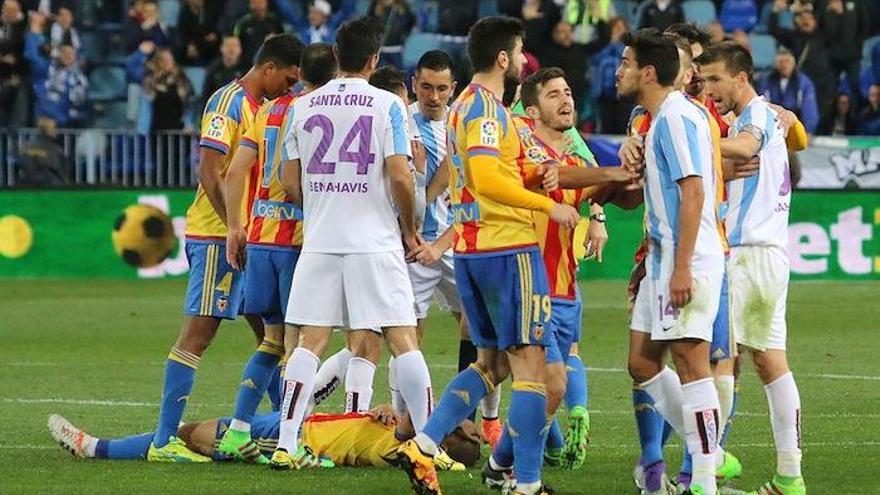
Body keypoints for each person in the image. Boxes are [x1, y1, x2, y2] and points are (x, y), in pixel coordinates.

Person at [394, 16, 581, 495]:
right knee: (531, 367)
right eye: (519, 53)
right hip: (507, 248)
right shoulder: (485, 108)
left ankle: (425, 443)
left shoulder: (464, 107)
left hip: (477, 249)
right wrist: (549, 206)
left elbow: (500, 170)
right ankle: (527, 483)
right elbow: (487, 178)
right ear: (503, 58)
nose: (523, 61)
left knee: (492, 365)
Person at [273, 17, 433, 471]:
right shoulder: (387, 105)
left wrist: (324, 204)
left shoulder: (301, 106)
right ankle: (426, 444)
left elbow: (288, 179)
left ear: (338, 56)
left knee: (309, 341)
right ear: (374, 59)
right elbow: (400, 174)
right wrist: (407, 225)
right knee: (403, 338)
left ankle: (287, 443)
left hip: (321, 239)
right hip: (374, 240)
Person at [146, 34, 303, 464]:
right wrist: (235, 226)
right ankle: (163, 441)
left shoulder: (265, 109)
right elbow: (210, 171)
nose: (290, 88)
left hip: (249, 237)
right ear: (268, 67)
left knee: (270, 334)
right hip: (219, 236)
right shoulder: (228, 102)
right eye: (287, 79)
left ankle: (283, 431)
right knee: (199, 334)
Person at [482, 68, 633, 486]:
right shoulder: (526, 158)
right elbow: (571, 176)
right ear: (531, 111)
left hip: (567, 288)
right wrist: (611, 174)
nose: (565, 100)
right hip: (532, 285)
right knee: (545, 384)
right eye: (553, 95)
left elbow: (606, 187)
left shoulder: (577, 156)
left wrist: (630, 175)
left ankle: (498, 465)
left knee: (549, 387)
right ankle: (519, 475)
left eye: (567, 92)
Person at [615, 29, 725, 495]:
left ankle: (703, 481)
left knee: (691, 363)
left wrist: (681, 266)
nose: (618, 70)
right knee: (641, 363)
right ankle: (710, 452)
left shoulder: (677, 117)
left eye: (625, 62)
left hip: (688, 261)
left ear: (648, 72)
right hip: (661, 262)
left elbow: (694, 190)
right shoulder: (660, 119)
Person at [698, 40, 806, 495]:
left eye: (715, 80)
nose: (710, 90)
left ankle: (709, 465)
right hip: (769, 255)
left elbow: (745, 145)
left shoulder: (757, 116)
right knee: (768, 362)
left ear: (741, 78)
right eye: (704, 81)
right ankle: (789, 474)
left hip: (743, 253)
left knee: (714, 361)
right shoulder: (762, 115)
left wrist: (695, 137)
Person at [214, 33, 313, 466]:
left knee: (271, 342)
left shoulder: (268, 111)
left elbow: (236, 170)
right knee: (300, 344)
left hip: (260, 237)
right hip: (296, 240)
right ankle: (295, 443)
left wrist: (236, 226)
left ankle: (238, 430)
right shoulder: (313, 112)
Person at [47, 405, 481, 469]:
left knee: (193, 433)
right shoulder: (408, 443)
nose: (464, 417)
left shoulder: (407, 442)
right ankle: (99, 446)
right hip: (295, 421)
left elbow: (411, 415)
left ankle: (95, 448)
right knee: (186, 432)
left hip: (298, 442)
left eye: (462, 422)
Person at [24, 14, 87, 127]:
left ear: (76, 56)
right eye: (63, 52)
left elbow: (77, 103)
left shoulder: (79, 78)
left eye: (70, 53)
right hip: (40, 121)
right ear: (58, 53)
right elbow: (32, 56)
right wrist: (34, 32)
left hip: (64, 125)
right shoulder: (47, 69)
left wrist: (55, 119)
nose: (67, 56)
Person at [759, 48, 818, 135]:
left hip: (796, 126)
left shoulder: (803, 82)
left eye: (787, 61)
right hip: (772, 127)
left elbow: (810, 110)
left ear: (793, 63)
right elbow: (762, 105)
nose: (784, 65)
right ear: (776, 64)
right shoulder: (766, 81)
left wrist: (808, 131)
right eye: (781, 62)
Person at [143, 48, 193, 131]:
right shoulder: (150, 80)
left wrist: (188, 123)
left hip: (179, 129)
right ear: (159, 62)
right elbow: (147, 103)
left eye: (171, 60)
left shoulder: (180, 79)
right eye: (166, 60)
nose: (171, 63)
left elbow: (188, 102)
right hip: (157, 129)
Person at [202, 35, 245, 112]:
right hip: (216, 110)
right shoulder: (213, 68)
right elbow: (206, 94)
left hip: (239, 111)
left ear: (240, 49)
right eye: (227, 45)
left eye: (235, 46)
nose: (231, 49)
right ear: (221, 48)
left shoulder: (246, 69)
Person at [283, 0, 354, 45]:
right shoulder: (304, 28)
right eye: (310, 13)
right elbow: (288, 10)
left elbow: (346, 10)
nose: (312, 16)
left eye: (316, 13)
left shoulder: (333, 28)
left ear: (325, 17)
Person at [178, 0, 221, 65]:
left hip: (211, 44)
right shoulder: (184, 12)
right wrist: (189, 44)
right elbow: (182, 33)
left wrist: (215, 33)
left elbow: (219, 24)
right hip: (194, 44)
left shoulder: (213, 7)